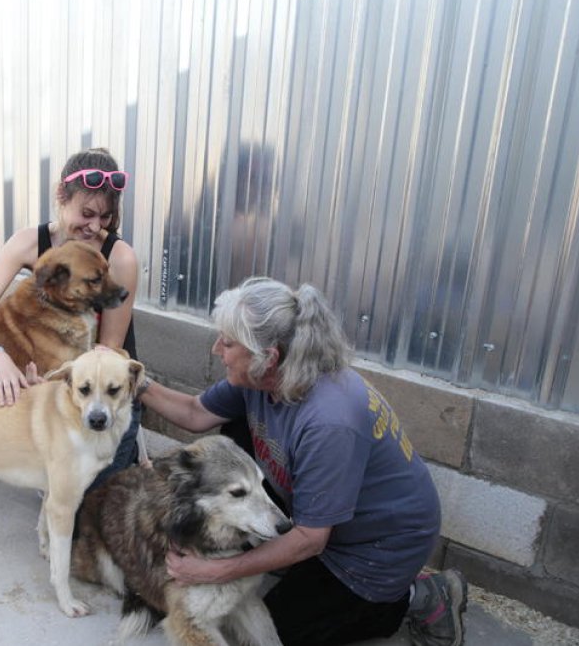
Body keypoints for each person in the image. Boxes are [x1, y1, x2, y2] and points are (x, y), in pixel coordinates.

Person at [134, 276, 467, 646]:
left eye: (227, 343)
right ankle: (294, 569)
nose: (216, 350)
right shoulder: (260, 378)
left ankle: (417, 597)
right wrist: (134, 380)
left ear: (269, 357)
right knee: (234, 435)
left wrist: (214, 571)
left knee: (268, 632)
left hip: (373, 551)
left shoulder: (329, 421)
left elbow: (310, 540)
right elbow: (196, 413)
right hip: (323, 522)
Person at [0, 147, 142, 482]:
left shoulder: (120, 257)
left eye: (105, 218)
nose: (94, 226)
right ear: (61, 195)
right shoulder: (29, 243)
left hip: (102, 393)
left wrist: (56, 384)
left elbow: (107, 352)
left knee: (91, 512)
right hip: (58, 385)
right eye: (86, 213)